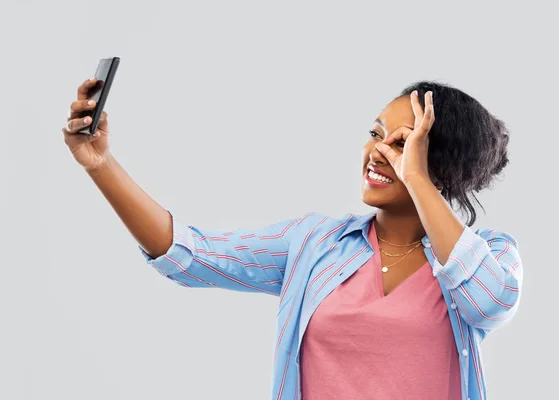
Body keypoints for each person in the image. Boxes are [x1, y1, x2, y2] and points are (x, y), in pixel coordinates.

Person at [63, 79, 523, 400]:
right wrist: (99, 164)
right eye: (375, 134)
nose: (375, 152)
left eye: (402, 144)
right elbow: (188, 253)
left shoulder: (488, 256)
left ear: (440, 163)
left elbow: (489, 302)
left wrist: (419, 181)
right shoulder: (313, 244)